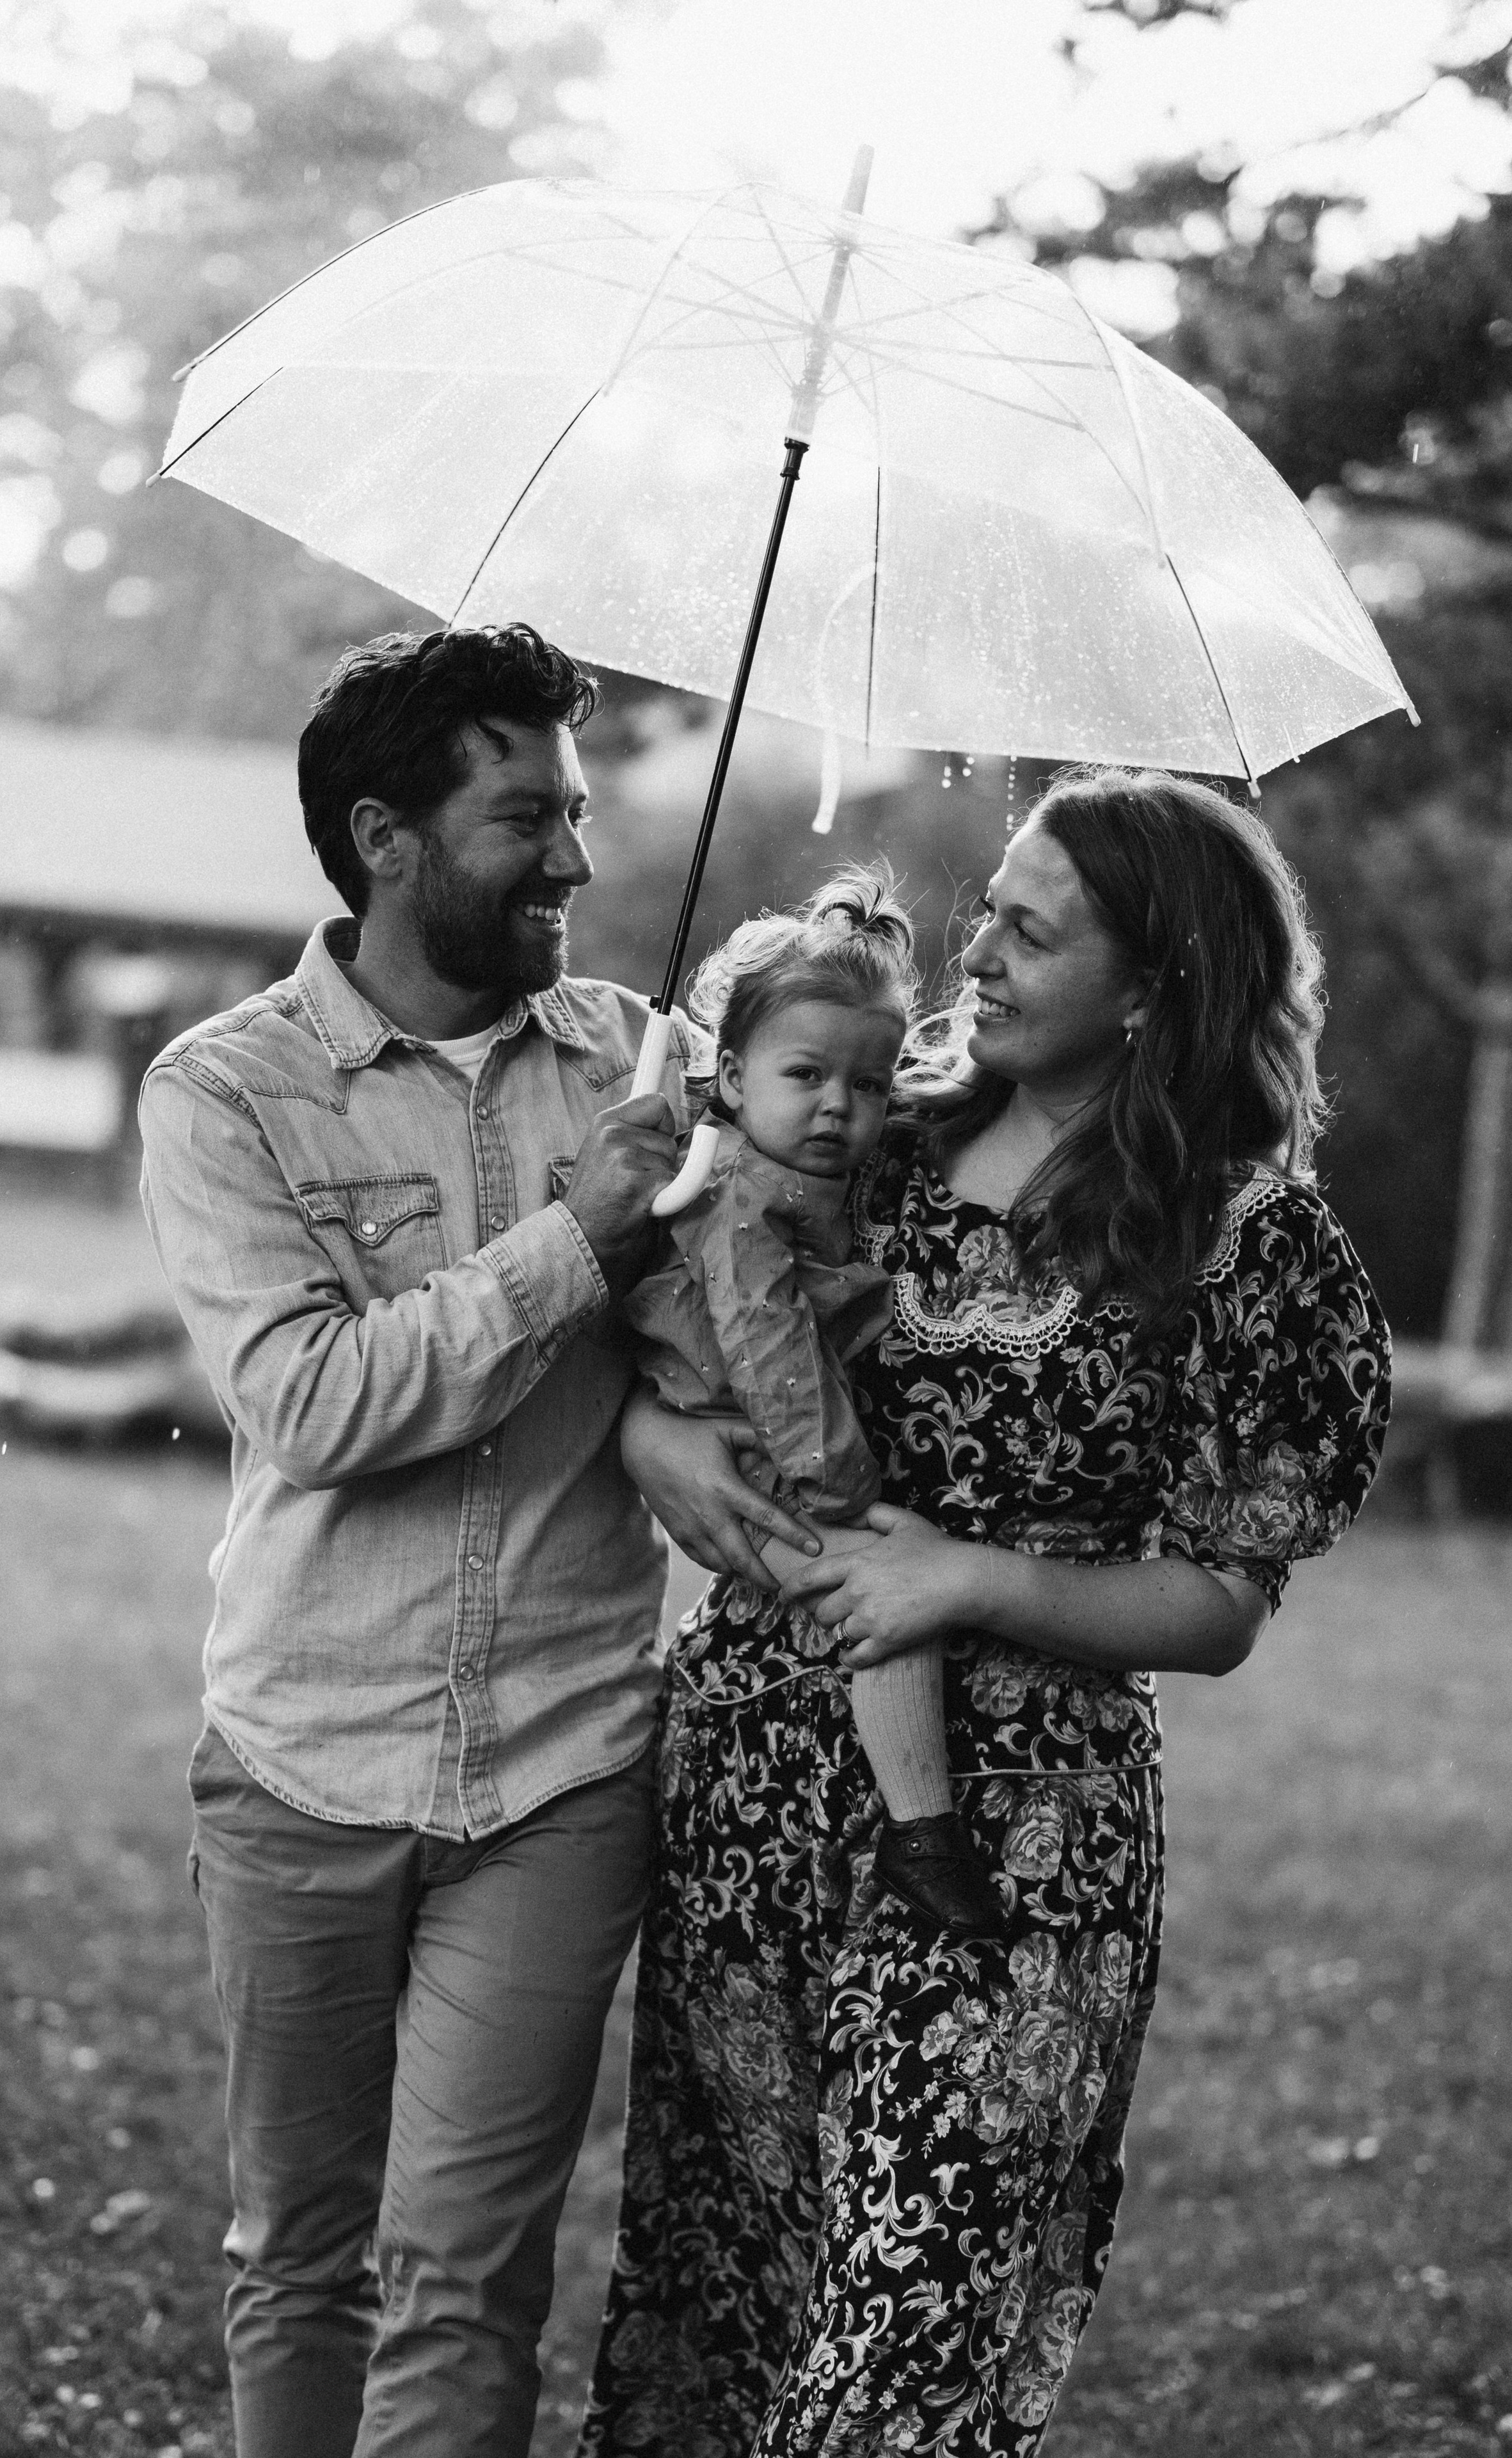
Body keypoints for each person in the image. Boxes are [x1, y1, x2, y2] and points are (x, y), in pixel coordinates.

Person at [581, 769, 1392, 2458]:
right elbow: (680, 1303)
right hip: (758, 1794)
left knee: (911, 2324)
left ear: (1157, 976)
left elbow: (1224, 1598)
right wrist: (652, 1430)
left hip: (1021, 1840)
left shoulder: (1246, 1237)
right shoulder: (875, 1128)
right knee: (734, 2286)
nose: (986, 950)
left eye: (1036, 927)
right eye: (991, 912)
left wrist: (973, 1577)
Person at [137, 622, 806, 2458]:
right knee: (300, 2256)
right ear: (387, 837)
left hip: (564, 1764)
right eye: (531, 818)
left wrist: (679, 1353)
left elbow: (727, 1358)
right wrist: (580, 1244)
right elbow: (318, 1407)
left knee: (467, 2281)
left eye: (580, 814)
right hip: (300, 1758)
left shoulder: (639, 1063)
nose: (581, 863)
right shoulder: (225, 1092)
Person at [625, 863, 1001, 1936]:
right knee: (884, 1594)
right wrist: (839, 1483)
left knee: (882, 1593)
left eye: (871, 1084)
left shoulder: (812, 1175)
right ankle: (921, 1829)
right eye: (808, 1076)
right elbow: (771, 1344)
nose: (840, 1107)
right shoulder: (741, 1193)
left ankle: (913, 1823)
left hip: (762, 1437)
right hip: (747, 1448)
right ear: (733, 1076)